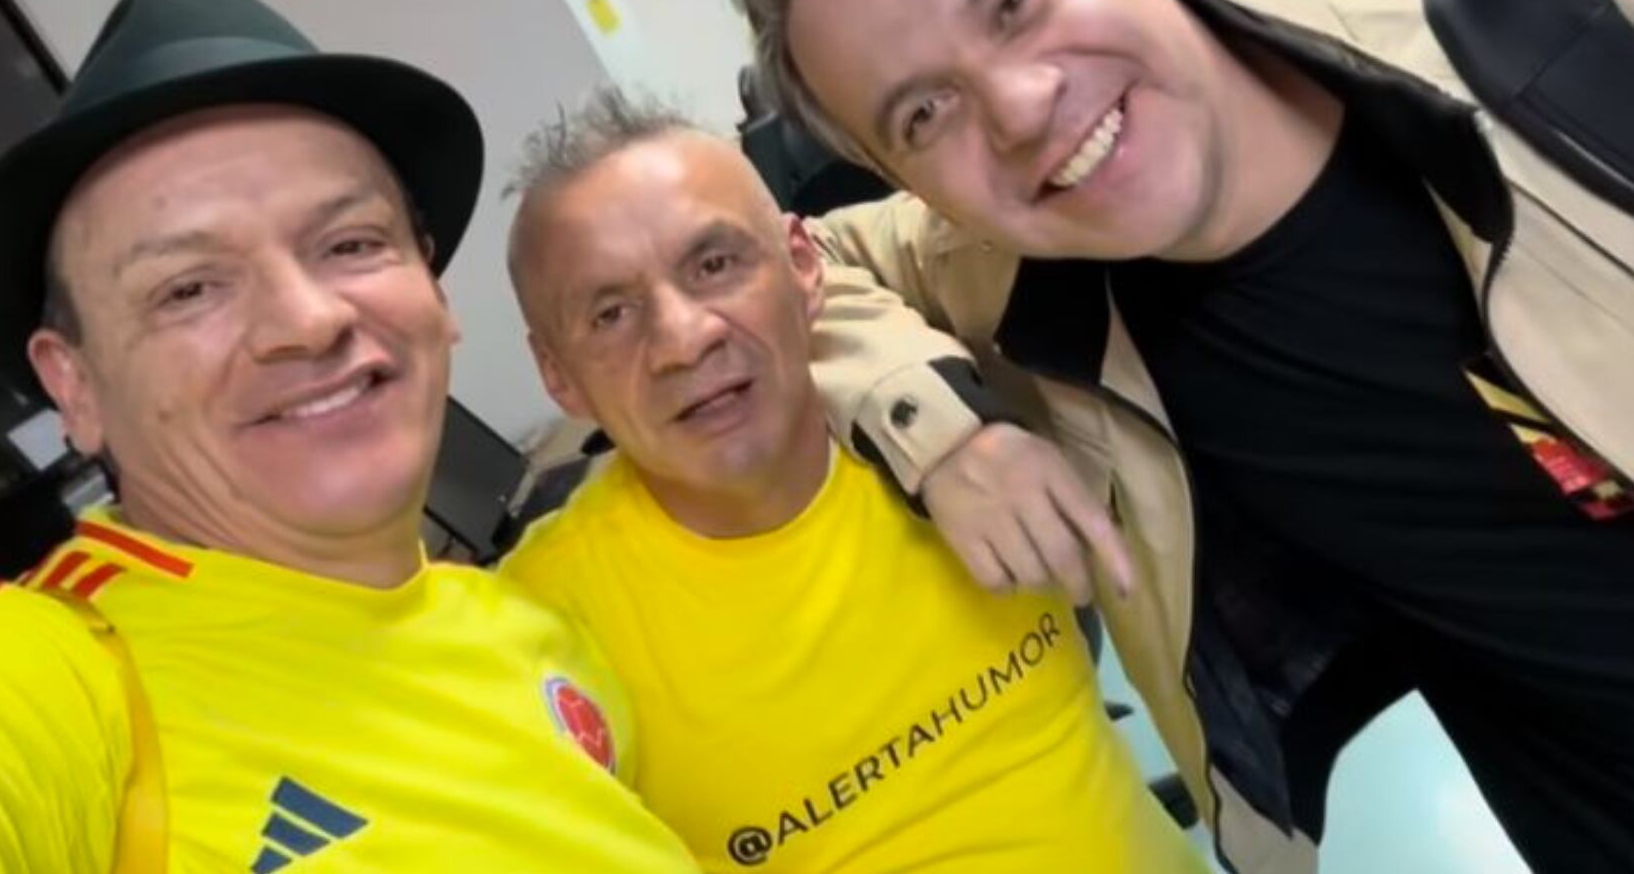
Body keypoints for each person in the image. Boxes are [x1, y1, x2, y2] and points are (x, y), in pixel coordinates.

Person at [738, 0, 1634, 874]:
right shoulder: (1020, 280)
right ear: (909, 182)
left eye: (1014, 0)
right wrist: (949, 432)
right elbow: (800, 264)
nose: (1021, 106)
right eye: (923, 115)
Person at [0, 0, 698, 873]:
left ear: (433, 290)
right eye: (188, 289)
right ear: (76, 387)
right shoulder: (39, 686)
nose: (309, 319)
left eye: (351, 243)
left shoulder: (534, 633)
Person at [494, 88, 1203, 873]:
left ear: (804, 265)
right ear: (557, 374)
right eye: (611, 314)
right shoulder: (536, 635)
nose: (683, 340)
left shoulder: (985, 396)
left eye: (714, 265)